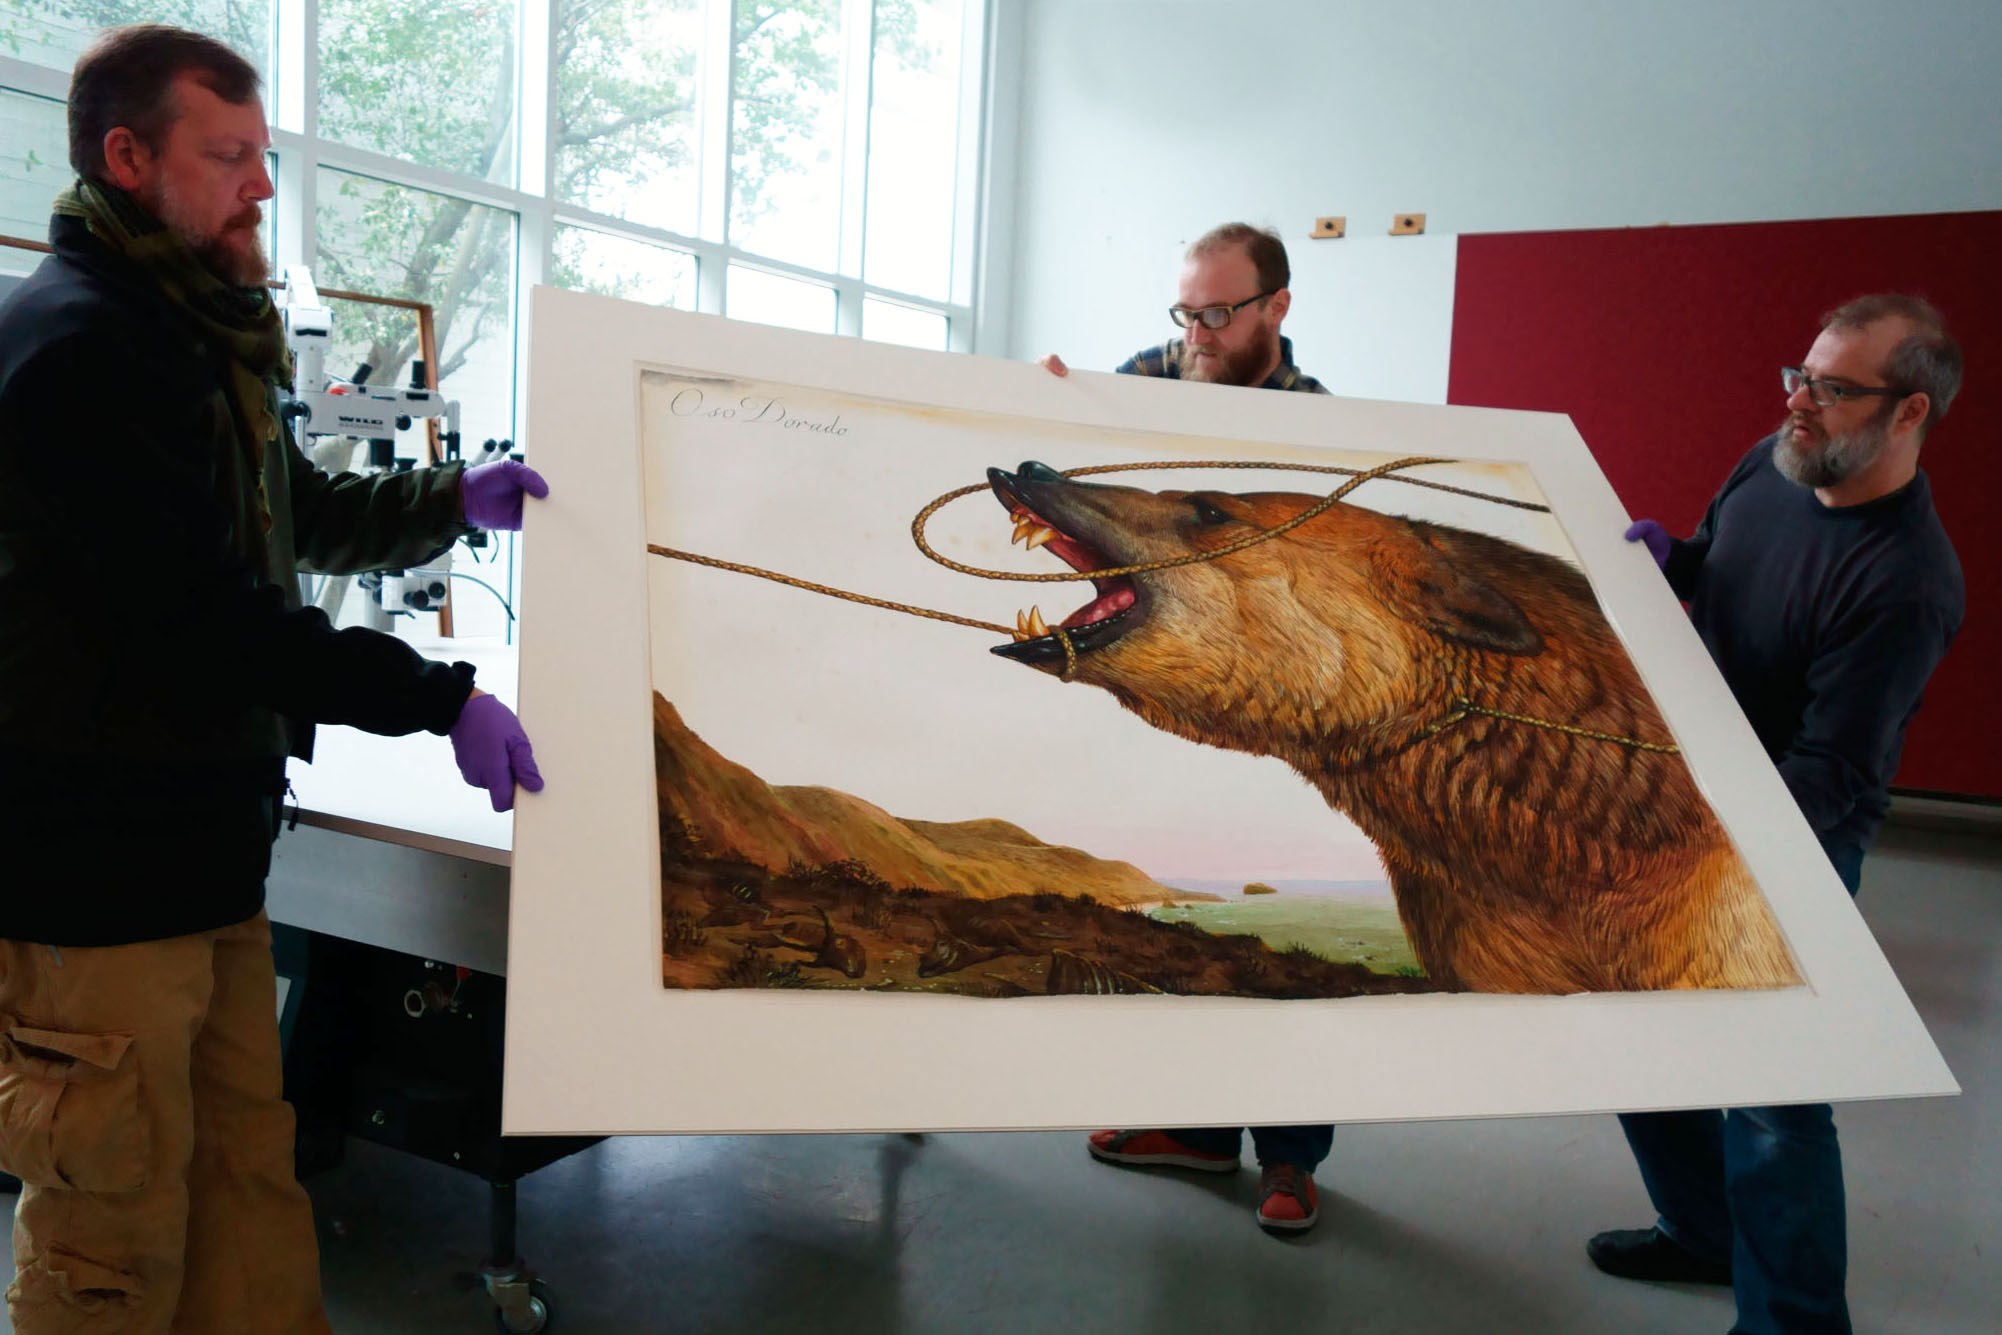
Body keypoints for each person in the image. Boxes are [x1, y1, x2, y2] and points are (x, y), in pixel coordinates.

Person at [0, 24, 546, 1333]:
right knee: (113, 1242)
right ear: (128, 159)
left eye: (264, 156)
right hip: (97, 888)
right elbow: (210, 621)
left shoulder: (189, 333)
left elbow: (285, 513)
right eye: (228, 154)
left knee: (246, 1204)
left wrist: (450, 499)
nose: (259, 185)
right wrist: (440, 696)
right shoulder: (80, 348)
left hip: (208, 861)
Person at [1596, 294, 1965, 1334]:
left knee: (1772, 1099)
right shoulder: (1777, 459)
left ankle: (1794, 1321)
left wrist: (1698, 849)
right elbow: (1720, 557)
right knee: (1640, 1044)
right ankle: (1702, 1235)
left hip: (1793, 839)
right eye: (1798, 376)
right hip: (1685, 795)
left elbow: (1827, 776)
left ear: (1908, 414)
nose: (1800, 404)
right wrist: (1678, 561)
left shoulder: (1905, 582)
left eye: (1834, 389)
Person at [1041, 221, 1333, 1235]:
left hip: (1279, 706)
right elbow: (1076, 466)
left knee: (1287, 918)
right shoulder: (1147, 379)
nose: (1195, 337)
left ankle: (1291, 1155)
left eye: (1218, 315)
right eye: (1184, 313)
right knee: (1188, 910)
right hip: (1171, 694)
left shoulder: (1322, 429)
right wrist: (1043, 399)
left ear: (1275, 309)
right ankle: (1201, 1130)